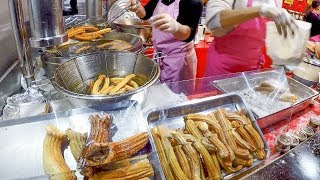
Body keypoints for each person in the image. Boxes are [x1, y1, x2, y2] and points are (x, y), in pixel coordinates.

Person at [204, 0, 297, 77]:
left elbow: (266, 33)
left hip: (251, 70)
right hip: (223, 68)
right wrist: (259, 10)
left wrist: (282, 54)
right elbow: (213, 20)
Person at [128, 0, 203, 83]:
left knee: (177, 94)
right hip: (160, 56)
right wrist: (138, 8)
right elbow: (146, 14)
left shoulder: (192, 2)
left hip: (178, 61)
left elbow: (188, 35)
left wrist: (176, 27)